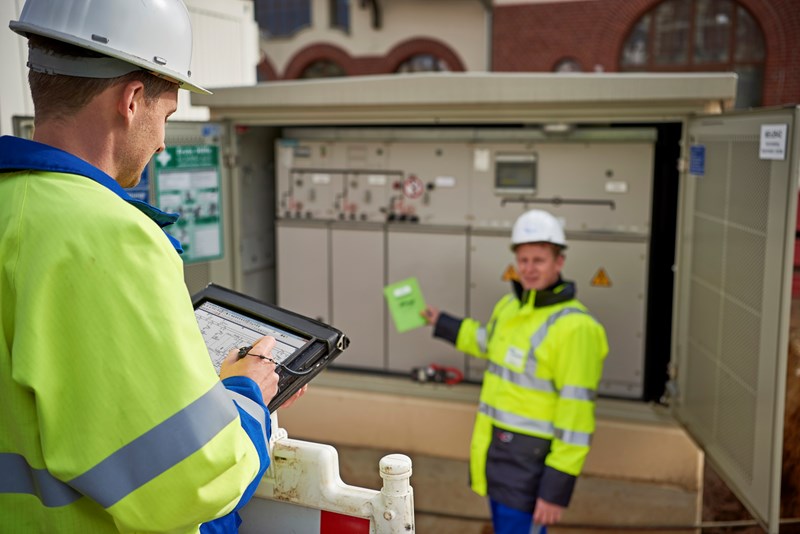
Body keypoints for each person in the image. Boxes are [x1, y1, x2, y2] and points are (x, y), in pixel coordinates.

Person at [0, 0, 303, 532]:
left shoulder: (13, 207)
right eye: (167, 117)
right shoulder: (110, 236)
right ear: (133, 99)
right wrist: (246, 392)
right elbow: (191, 481)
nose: (163, 142)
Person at [421, 209, 608, 534]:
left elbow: (576, 417)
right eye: (523, 260)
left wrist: (555, 489)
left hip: (532, 463)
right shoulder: (510, 307)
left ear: (559, 262)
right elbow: (488, 342)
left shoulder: (577, 328)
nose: (529, 269)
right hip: (497, 449)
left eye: (539, 260)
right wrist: (443, 323)